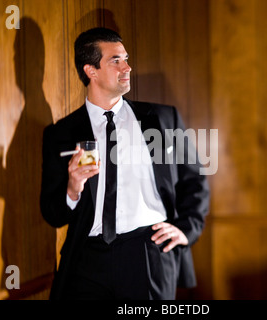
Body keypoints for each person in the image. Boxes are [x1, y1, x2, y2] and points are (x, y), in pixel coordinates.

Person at [40, 27, 210, 300]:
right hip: (86, 261)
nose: (127, 67)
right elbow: (52, 213)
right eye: (115, 61)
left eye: (126, 58)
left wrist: (186, 227)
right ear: (90, 71)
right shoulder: (61, 133)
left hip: (148, 255)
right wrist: (72, 189)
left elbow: (195, 181)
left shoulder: (163, 120)